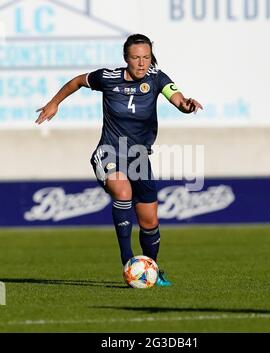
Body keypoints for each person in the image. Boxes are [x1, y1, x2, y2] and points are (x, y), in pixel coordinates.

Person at [35, 33, 203, 287]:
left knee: (150, 221)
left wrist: (187, 105)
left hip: (139, 157)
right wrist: (54, 103)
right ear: (126, 58)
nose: (141, 63)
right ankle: (128, 263)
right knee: (122, 191)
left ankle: (151, 268)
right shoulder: (108, 78)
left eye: (146, 57)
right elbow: (77, 82)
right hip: (109, 151)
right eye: (136, 58)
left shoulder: (157, 78)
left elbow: (177, 97)